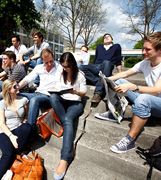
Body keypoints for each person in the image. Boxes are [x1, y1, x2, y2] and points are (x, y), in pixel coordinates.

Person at [96, 32, 161, 154]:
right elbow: (125, 74)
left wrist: (133, 87)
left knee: (143, 99)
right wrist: (108, 79)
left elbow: (157, 90)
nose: (143, 52)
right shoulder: (145, 63)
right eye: (143, 48)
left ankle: (130, 140)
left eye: (148, 50)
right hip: (149, 97)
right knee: (119, 81)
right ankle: (116, 112)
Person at [50, 52, 87, 180]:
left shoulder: (80, 75)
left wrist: (76, 91)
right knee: (53, 97)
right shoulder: (61, 73)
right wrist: (55, 88)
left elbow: (83, 92)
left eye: (67, 66)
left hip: (75, 103)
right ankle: (66, 126)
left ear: (72, 64)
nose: (64, 69)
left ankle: (65, 158)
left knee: (67, 119)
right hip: (63, 99)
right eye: (63, 66)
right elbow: (56, 86)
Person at [0, 79, 31, 180]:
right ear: (8, 90)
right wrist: (11, 136)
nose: (18, 87)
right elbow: (1, 123)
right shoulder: (2, 103)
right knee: (8, 153)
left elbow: (27, 115)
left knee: (27, 127)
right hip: (5, 132)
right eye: (15, 86)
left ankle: (16, 152)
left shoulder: (24, 100)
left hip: (18, 129)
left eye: (17, 85)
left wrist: (24, 120)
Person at [18, 48, 62, 130]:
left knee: (34, 100)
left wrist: (58, 87)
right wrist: (16, 87)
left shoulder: (59, 68)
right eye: (46, 62)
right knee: (16, 95)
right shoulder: (39, 68)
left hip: (48, 96)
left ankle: (30, 130)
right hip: (37, 93)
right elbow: (27, 79)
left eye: (51, 61)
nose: (49, 64)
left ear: (53, 58)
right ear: (42, 61)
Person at [80, 33, 122, 103]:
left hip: (107, 65)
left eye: (108, 36)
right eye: (104, 37)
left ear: (112, 40)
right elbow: (96, 59)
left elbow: (118, 61)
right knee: (81, 67)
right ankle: (102, 82)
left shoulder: (116, 46)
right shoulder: (99, 47)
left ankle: (98, 93)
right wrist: (92, 69)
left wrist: (120, 74)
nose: (106, 37)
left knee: (106, 62)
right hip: (97, 66)